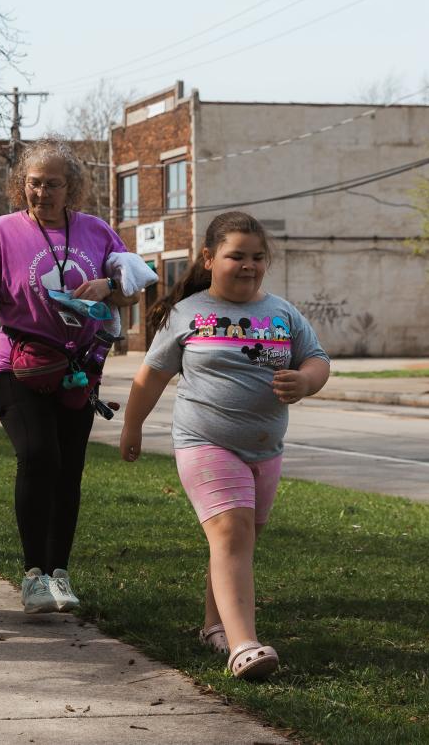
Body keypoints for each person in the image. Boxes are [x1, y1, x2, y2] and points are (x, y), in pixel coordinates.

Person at [119, 211, 330, 680]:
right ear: (210, 259)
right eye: (237, 255)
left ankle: (214, 626)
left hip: (266, 448)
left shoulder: (282, 313)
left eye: (258, 257)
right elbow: (150, 376)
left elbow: (317, 359)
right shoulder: (187, 313)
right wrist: (132, 427)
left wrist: (305, 382)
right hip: (205, 441)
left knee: (238, 542)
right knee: (232, 534)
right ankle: (244, 645)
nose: (249, 265)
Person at [0, 138, 140, 614]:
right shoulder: (2, 232)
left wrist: (110, 285)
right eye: (34, 183)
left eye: (52, 184)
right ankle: (34, 574)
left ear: (70, 187)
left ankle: (59, 574)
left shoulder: (97, 232)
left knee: (68, 469)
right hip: (18, 363)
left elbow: (135, 288)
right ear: (23, 185)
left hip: (78, 370)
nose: (42, 192)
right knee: (38, 455)